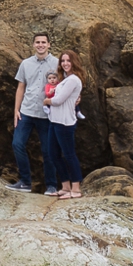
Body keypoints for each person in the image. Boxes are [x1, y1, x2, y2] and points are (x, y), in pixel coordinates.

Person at [9, 33, 59, 193]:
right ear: (33, 45)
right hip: (27, 111)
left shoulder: (57, 63)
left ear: (49, 44)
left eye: (43, 42)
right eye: (37, 42)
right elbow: (21, 87)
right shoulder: (26, 64)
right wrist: (16, 110)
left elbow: (65, 85)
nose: (40, 45)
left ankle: (51, 185)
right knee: (17, 144)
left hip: (47, 114)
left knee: (48, 150)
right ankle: (25, 181)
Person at [45, 50, 86, 198]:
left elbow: (58, 100)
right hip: (54, 121)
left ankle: (75, 189)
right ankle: (65, 186)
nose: (65, 63)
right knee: (53, 154)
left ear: (74, 62)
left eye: (68, 60)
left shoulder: (74, 79)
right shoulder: (64, 79)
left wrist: (47, 101)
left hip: (65, 122)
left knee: (69, 155)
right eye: (63, 61)